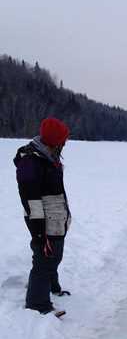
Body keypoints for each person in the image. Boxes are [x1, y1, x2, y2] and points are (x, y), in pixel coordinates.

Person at [14, 117, 72, 314]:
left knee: (54, 255)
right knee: (44, 257)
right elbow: (31, 200)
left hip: (56, 218)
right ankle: (37, 304)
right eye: (63, 140)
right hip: (42, 219)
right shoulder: (31, 162)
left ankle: (51, 287)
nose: (65, 143)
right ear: (54, 140)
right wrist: (39, 233)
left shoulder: (48, 156)